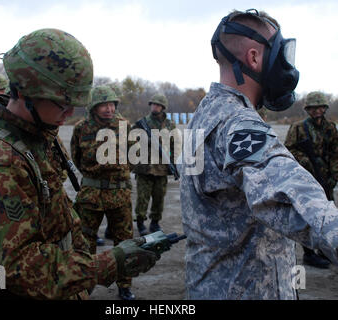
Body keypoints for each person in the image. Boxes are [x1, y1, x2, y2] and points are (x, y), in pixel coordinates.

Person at [0, 28, 158, 300]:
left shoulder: (38, 135)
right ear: (27, 92)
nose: (69, 113)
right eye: (61, 103)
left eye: (75, 104)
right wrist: (109, 263)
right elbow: (17, 269)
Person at [179, 8, 338, 300]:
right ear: (253, 57)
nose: (284, 66)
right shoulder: (237, 123)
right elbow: (299, 201)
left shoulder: (203, 117)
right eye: (279, 56)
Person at [70, 85, 136, 300]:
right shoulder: (82, 128)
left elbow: (134, 157)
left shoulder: (125, 126)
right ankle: (83, 286)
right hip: (91, 196)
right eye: (103, 104)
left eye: (112, 104)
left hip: (119, 195)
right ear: (94, 106)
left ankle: (124, 285)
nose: (108, 109)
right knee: (84, 243)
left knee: (124, 242)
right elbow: (76, 158)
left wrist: (120, 176)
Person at [284, 91, 338, 269]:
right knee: (306, 215)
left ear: (325, 108)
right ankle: (308, 253)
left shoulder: (330, 128)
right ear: (308, 109)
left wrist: (333, 176)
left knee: (326, 214)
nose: (317, 111)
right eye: (313, 108)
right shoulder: (299, 128)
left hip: (326, 178)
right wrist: (305, 160)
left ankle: (324, 249)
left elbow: (335, 153)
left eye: (320, 107)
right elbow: (289, 150)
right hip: (306, 178)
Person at [132, 94, 176, 236]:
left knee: (159, 198)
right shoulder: (142, 123)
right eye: (153, 104)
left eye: (158, 105)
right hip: (144, 167)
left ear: (163, 107)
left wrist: (173, 164)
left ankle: (155, 223)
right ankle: (140, 223)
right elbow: (131, 140)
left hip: (161, 168)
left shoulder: (169, 125)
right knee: (142, 198)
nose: (154, 107)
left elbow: (174, 145)